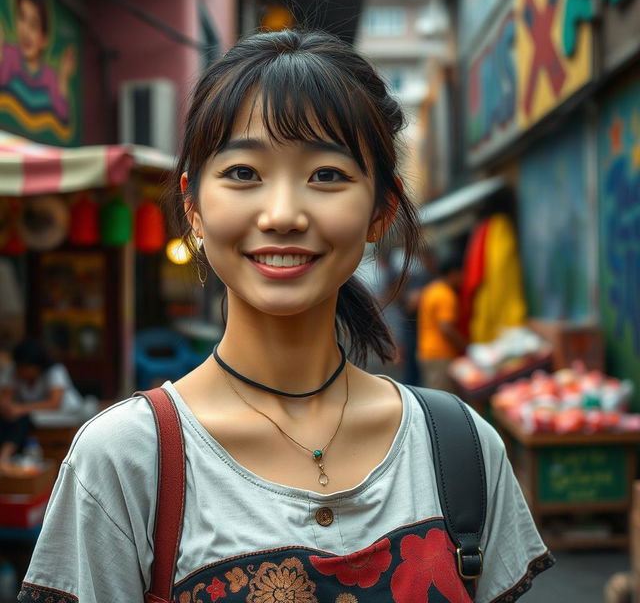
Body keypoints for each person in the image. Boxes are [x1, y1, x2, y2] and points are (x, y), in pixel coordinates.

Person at [19, 30, 553, 602]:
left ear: (381, 211)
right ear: (193, 208)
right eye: (244, 173)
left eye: (326, 175)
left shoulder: (462, 449)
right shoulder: (125, 459)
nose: (282, 215)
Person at [0, 337, 83, 471]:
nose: (22, 372)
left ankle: (4, 457)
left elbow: (54, 403)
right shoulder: (13, 371)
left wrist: (20, 409)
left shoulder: (55, 371)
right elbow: (6, 399)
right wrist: (8, 408)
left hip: (63, 413)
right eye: (19, 367)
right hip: (29, 413)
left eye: (26, 367)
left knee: (24, 419)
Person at [416, 253, 468, 392]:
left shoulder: (431, 289)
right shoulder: (446, 295)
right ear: (453, 273)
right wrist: (465, 346)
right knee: (445, 398)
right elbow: (446, 328)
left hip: (428, 352)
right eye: (462, 273)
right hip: (441, 355)